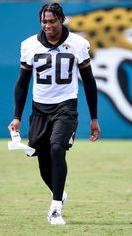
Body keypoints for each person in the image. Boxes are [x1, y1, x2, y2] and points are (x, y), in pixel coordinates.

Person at [8, 3, 100, 225]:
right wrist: (17, 116)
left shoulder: (78, 44)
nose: (47, 25)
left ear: (62, 20)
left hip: (66, 107)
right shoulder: (29, 45)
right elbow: (22, 83)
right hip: (40, 108)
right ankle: (59, 191)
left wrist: (94, 118)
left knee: (57, 148)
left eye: (51, 21)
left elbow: (89, 82)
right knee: (41, 157)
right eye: (44, 21)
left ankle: (56, 207)